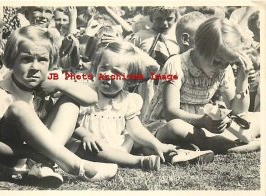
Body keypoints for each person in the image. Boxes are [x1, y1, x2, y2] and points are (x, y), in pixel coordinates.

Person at [0, 25, 118, 186]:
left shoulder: (44, 82)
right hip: (1, 158)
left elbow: (91, 98)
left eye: (42, 60)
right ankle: (76, 165)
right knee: (20, 108)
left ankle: (44, 164)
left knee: (70, 101)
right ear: (12, 62)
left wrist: (59, 85)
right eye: (26, 59)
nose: (35, 67)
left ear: (50, 62)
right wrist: (32, 152)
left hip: (34, 154)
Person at [66, 41, 215, 171]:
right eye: (103, 68)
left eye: (116, 72)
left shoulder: (129, 100)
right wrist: (86, 135)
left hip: (118, 145)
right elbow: (70, 122)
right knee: (98, 149)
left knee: (144, 143)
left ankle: (177, 154)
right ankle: (140, 162)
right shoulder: (87, 92)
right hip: (90, 145)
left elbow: (136, 129)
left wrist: (157, 144)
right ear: (95, 69)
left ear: (129, 81)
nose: (107, 75)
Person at [143, 18, 260, 154]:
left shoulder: (223, 69)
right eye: (217, 61)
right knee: (176, 127)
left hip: (203, 124)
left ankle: (208, 143)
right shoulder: (177, 64)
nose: (222, 66)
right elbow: (170, 112)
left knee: (258, 117)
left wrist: (242, 82)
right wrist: (202, 122)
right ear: (199, 48)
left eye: (227, 63)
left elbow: (238, 112)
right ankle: (231, 146)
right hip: (169, 123)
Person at [126, 7, 180, 118]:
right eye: (159, 19)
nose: (164, 24)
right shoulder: (140, 36)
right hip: (145, 85)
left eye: (169, 19)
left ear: (175, 18)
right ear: (151, 18)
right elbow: (128, 59)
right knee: (142, 113)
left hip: (169, 84)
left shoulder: (177, 38)